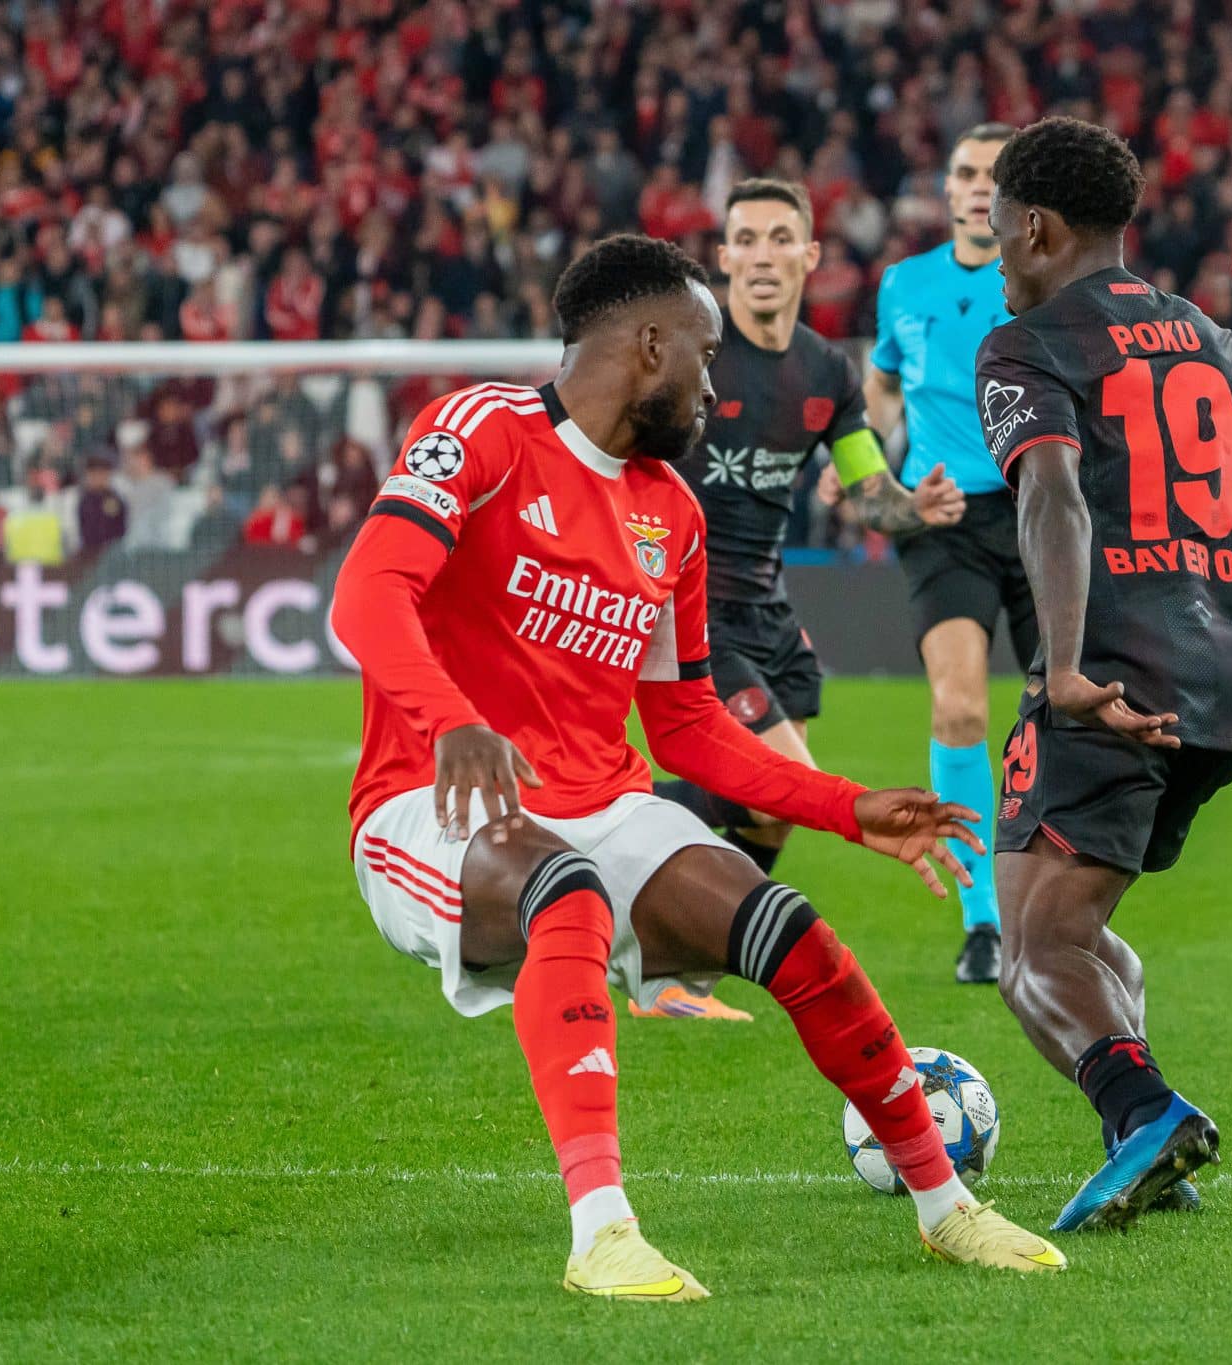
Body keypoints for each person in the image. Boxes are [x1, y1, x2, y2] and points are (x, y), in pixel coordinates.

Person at [328, 234, 1064, 1301]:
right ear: (647, 344)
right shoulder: (481, 427)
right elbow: (367, 592)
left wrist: (847, 807)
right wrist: (449, 721)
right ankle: (602, 1233)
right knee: (561, 889)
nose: (716, 388)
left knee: (788, 931)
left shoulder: (668, 513)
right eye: (706, 358)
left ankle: (945, 1208)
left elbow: (684, 730)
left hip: (597, 799)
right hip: (425, 808)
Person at [974, 119, 1232, 1231]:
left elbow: (1050, 497)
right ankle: (1139, 1136)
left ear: (1034, 225)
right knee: (1078, 928)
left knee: (1029, 948)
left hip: (1112, 684)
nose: (995, 260)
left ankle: (1145, 1116)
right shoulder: (1213, 342)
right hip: (1224, 685)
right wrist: (1194, 579)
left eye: (996, 236)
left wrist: (1071, 662)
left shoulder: (1029, 343)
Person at [650, 179, 965, 1019]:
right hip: (690, 606)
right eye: (744, 239)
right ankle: (611, 832)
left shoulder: (827, 369)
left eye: (777, 238)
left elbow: (868, 492)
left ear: (808, 257)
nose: (760, 255)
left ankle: (675, 965)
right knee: (784, 781)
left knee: (772, 815)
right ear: (722, 260)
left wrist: (912, 506)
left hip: (767, 607)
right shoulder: (693, 359)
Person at [864, 122, 1023, 985]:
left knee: (1062, 716)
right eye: (964, 172)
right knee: (959, 708)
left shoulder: (1043, 282)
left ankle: (1052, 903)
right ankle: (983, 921)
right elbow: (884, 381)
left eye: (992, 176)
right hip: (945, 521)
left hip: (1043, 516)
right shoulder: (902, 284)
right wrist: (868, 455)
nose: (972, 187)